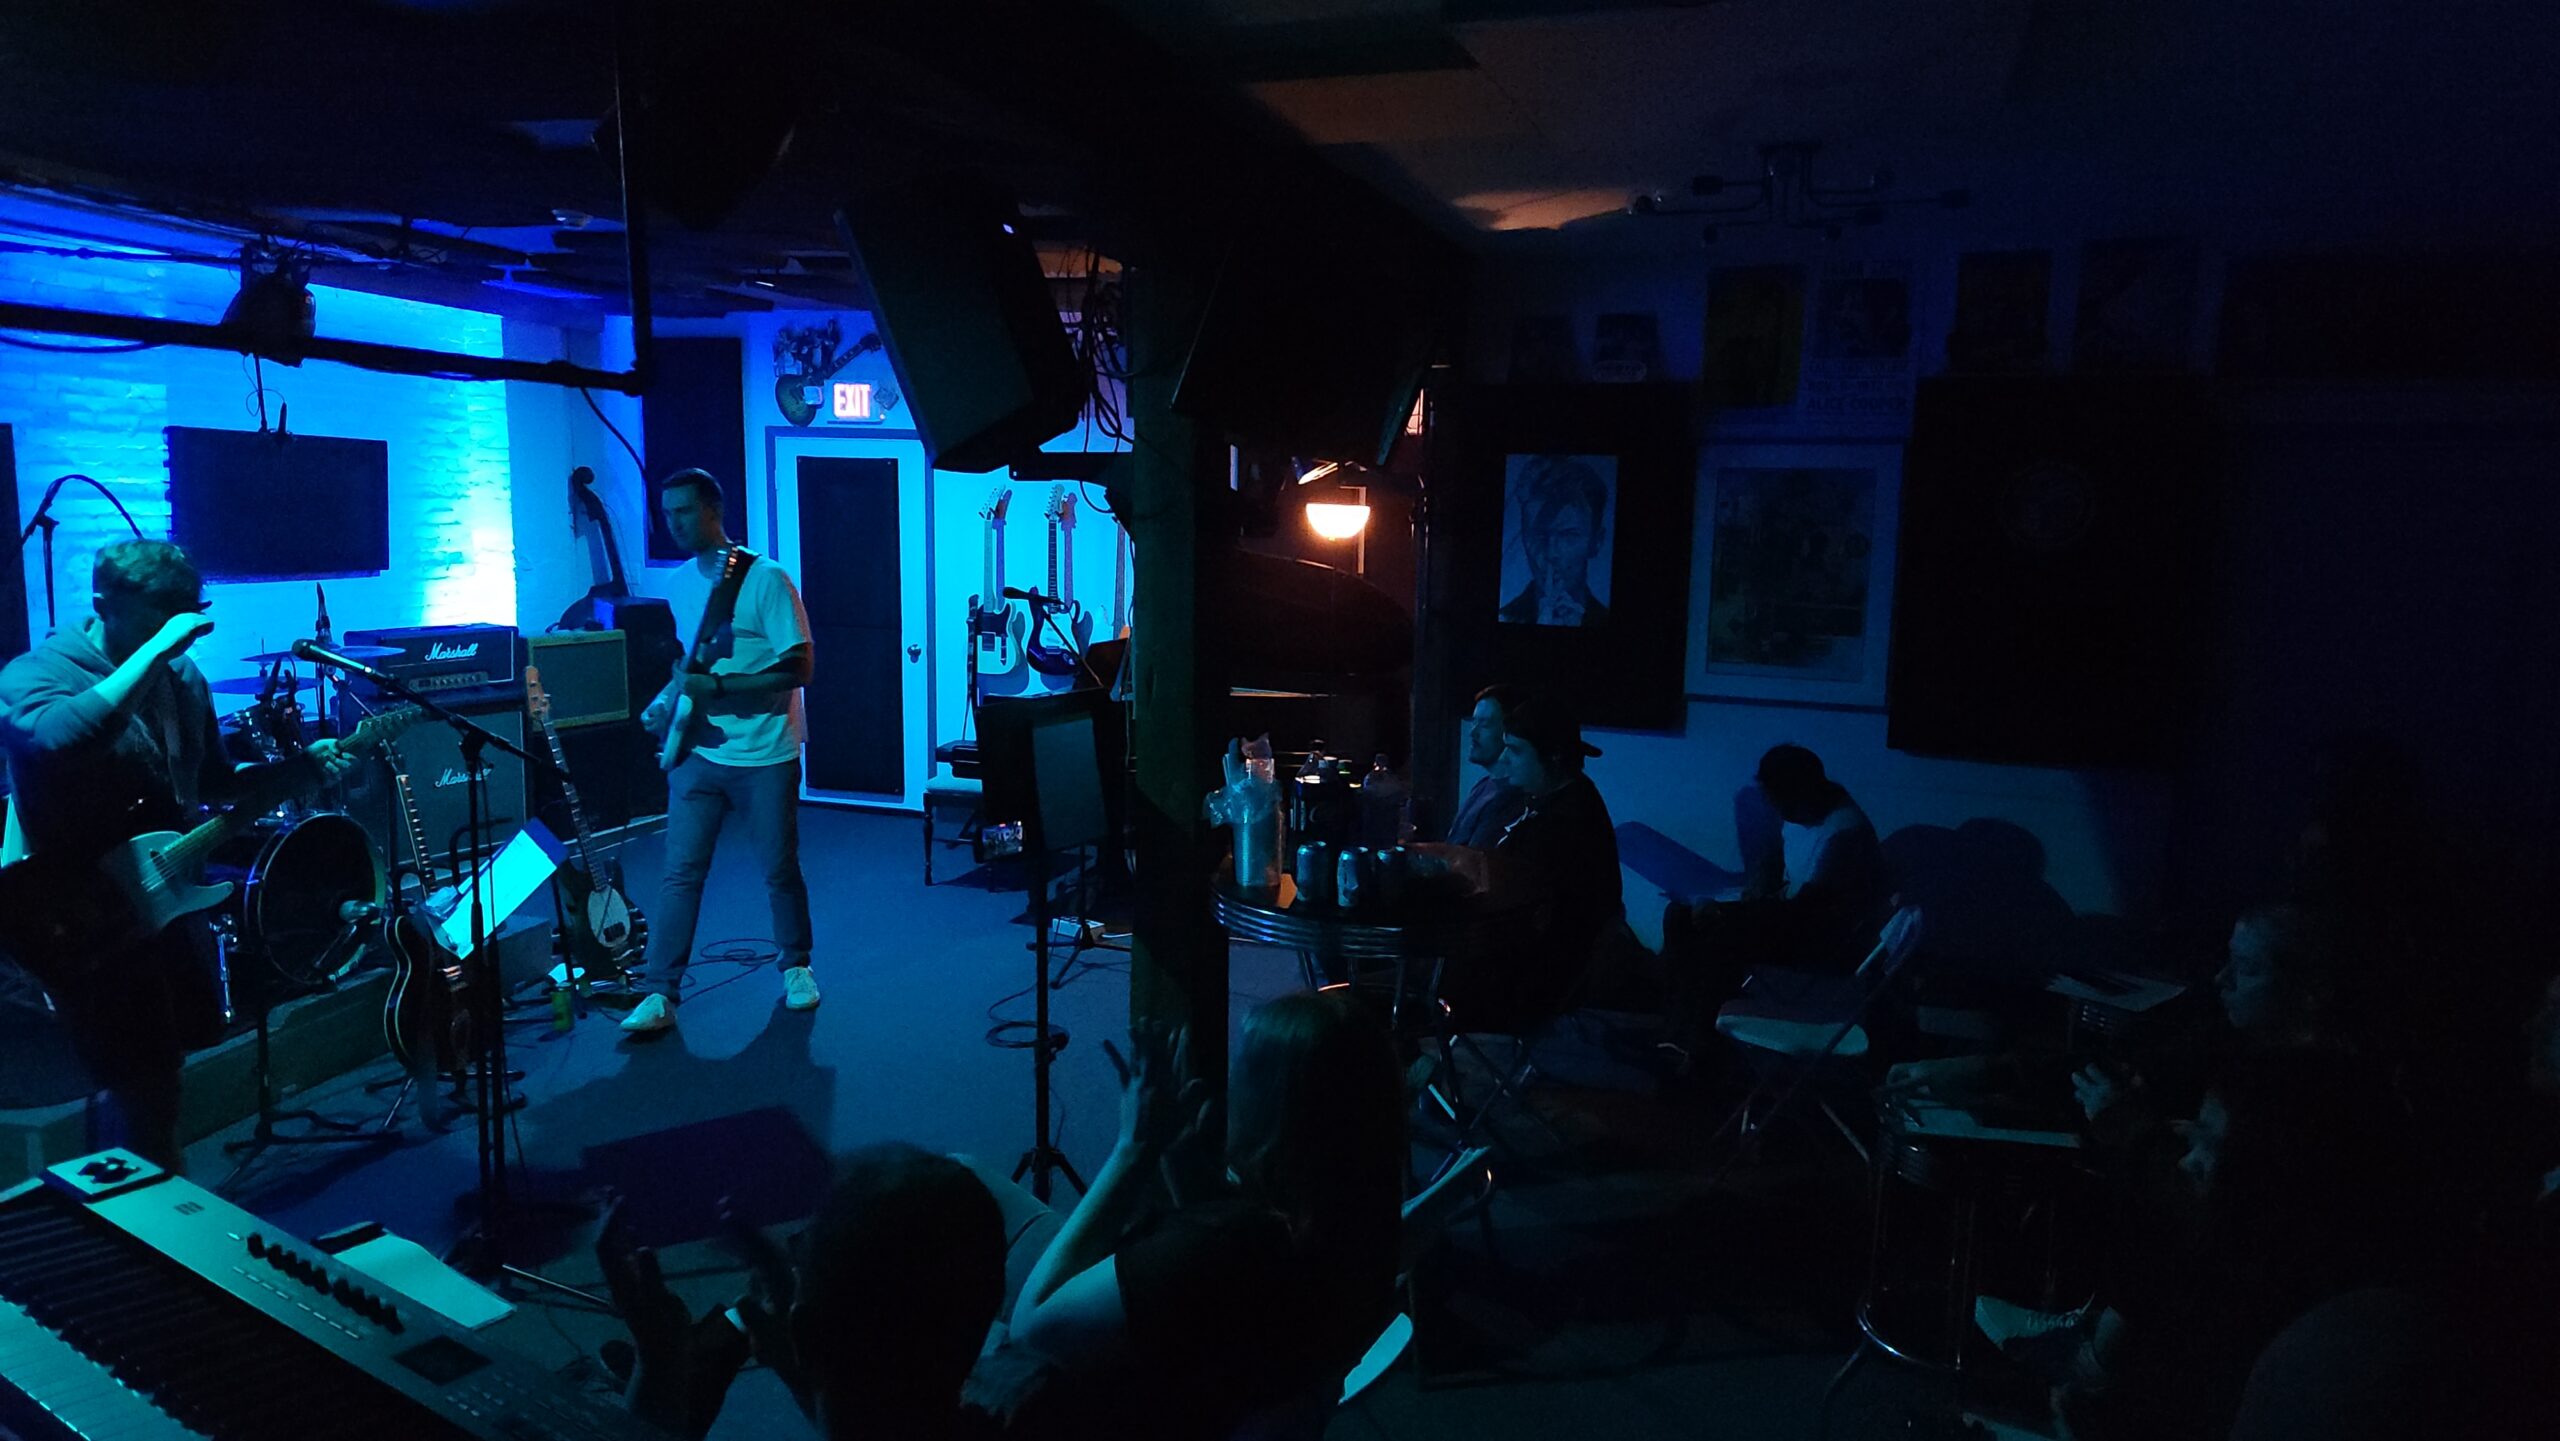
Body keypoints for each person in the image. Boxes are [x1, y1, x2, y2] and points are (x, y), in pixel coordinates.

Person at [0, 539, 355, 1167]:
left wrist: (292, 773)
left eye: (190, 609)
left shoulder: (182, 679)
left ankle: (148, 1208)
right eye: (161, 611)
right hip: (77, 914)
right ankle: (147, 1231)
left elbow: (210, 781)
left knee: (162, 1069)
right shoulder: (37, 673)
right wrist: (155, 650)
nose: (182, 627)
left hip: (158, 901)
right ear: (104, 605)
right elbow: (61, 740)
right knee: (142, 1081)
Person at [1001, 992, 1406, 1440]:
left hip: (1102, 1402)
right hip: (1213, 1383)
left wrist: (1132, 1149)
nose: (1230, 1083)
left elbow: (1032, 1333)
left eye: (1244, 1069)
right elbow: (1216, 1259)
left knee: (963, 1180)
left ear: (1276, 1103)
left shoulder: (1220, 1248)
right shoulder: (1355, 1225)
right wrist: (1175, 1149)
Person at [599, 1142, 1010, 1440]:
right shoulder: (1015, 1410)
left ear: (808, 1335)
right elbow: (878, 1420)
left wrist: (657, 1362)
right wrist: (798, 1362)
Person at [625, 469, 820, 1032]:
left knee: (779, 868)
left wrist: (723, 690)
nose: (673, 523)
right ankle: (660, 991)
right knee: (680, 873)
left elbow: (801, 665)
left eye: (683, 511)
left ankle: (797, 966)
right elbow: (693, 665)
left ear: (713, 509)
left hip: (765, 754)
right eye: (666, 514)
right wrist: (667, 701)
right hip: (700, 754)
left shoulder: (766, 579)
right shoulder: (682, 584)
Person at [1498, 457, 1611, 627]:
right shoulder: (1503, 617)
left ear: (1596, 541)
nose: (1551, 553)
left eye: (1568, 535)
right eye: (1539, 534)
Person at [1441, 683, 1527, 850]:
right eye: (1474, 722)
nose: (1473, 732)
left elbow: (1471, 864)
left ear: (1508, 731)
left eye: (1485, 724)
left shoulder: (1511, 798)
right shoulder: (1483, 785)